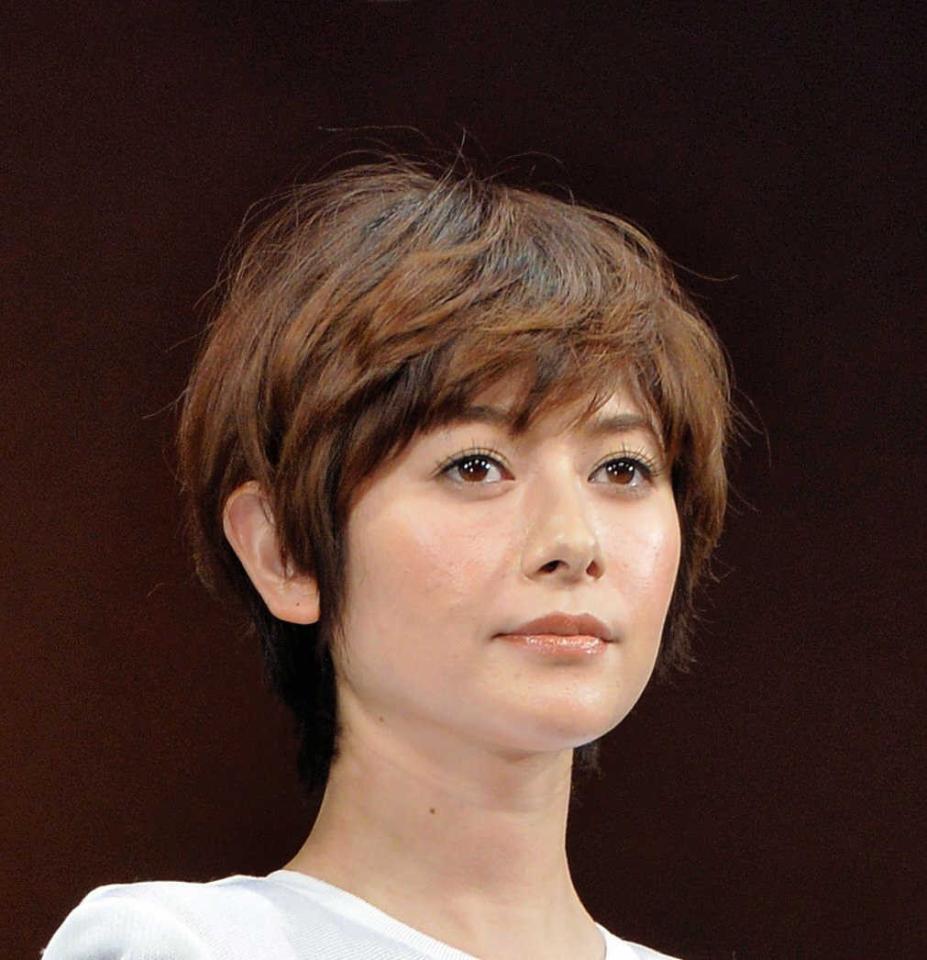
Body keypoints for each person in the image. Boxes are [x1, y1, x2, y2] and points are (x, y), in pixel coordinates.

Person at [43, 154, 731, 960]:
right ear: (285, 551)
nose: (573, 543)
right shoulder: (185, 947)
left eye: (622, 469)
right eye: (473, 466)